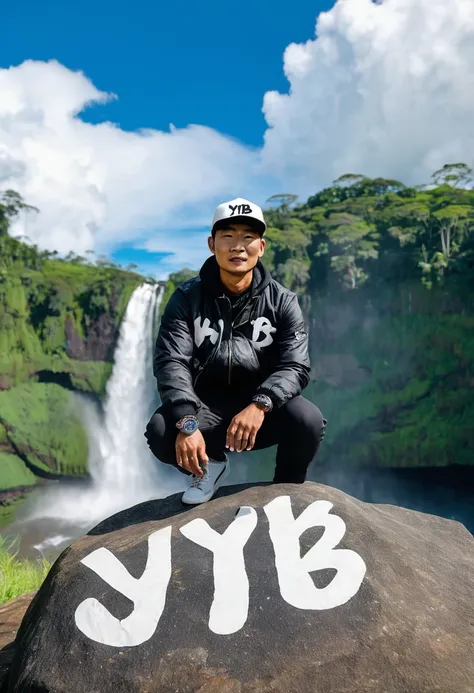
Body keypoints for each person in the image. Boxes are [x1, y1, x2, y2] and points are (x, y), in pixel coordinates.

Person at [145, 197, 327, 504]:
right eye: (227, 236)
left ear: (262, 246)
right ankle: (211, 465)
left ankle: (286, 490)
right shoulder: (186, 299)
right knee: (161, 431)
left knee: (308, 420)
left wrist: (261, 403)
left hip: (261, 412)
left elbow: (295, 365)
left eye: (247, 237)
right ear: (211, 243)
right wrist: (187, 423)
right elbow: (171, 361)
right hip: (204, 409)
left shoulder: (283, 301)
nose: (237, 246)